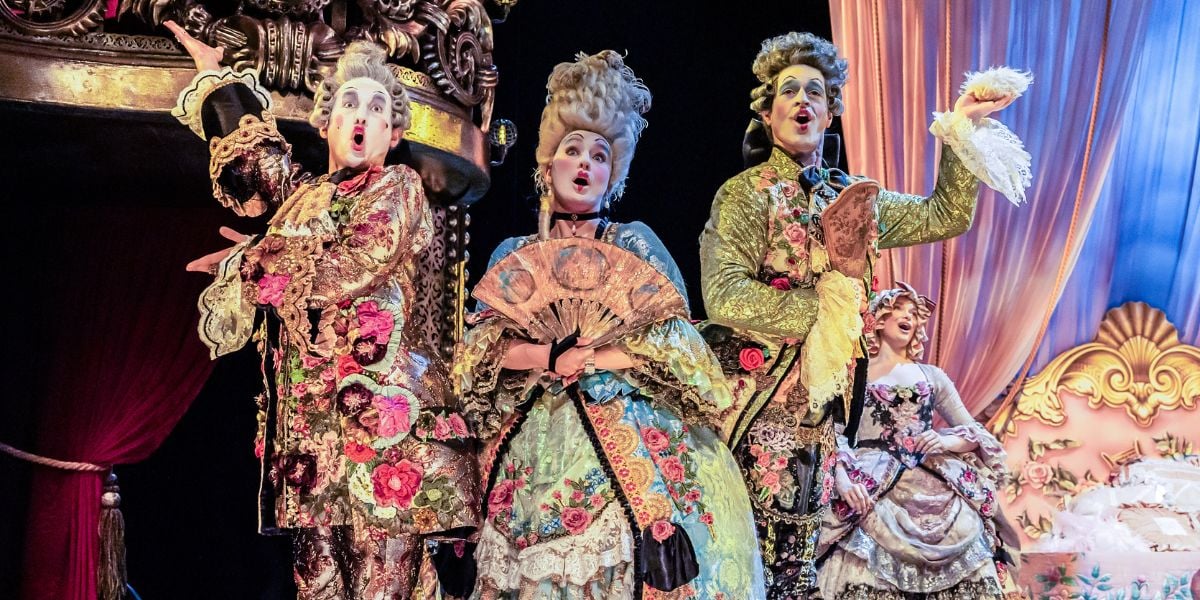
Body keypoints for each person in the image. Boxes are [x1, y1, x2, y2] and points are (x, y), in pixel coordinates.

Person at [698, 32, 1029, 598]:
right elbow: (725, 295)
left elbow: (944, 216)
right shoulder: (746, 194)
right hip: (756, 401)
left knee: (804, 566)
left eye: (816, 92)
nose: (803, 100)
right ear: (767, 113)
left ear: (830, 114)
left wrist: (962, 126)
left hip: (828, 413)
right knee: (755, 556)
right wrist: (828, 309)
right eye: (789, 91)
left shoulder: (854, 196)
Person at [165, 21, 479, 599]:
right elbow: (259, 166)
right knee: (317, 587)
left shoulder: (398, 188)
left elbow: (355, 262)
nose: (361, 116)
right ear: (326, 122)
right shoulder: (306, 199)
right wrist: (214, 79)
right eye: (349, 104)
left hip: (379, 437)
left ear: (392, 132)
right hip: (311, 441)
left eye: (377, 108)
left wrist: (251, 259)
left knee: (380, 586)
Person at [456, 50, 766, 599]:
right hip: (535, 425)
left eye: (598, 156)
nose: (584, 164)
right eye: (572, 150)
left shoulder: (634, 243)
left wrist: (595, 357)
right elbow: (485, 349)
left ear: (612, 175)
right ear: (547, 165)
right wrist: (550, 357)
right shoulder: (515, 252)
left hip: (624, 412)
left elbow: (674, 342)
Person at [815, 285, 1013, 599]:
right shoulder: (853, 374)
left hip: (932, 477)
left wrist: (944, 441)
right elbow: (830, 432)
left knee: (968, 530)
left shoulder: (932, 376)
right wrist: (842, 480)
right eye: (900, 309)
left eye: (913, 313)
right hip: (871, 478)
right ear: (880, 319)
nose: (909, 316)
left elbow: (973, 433)